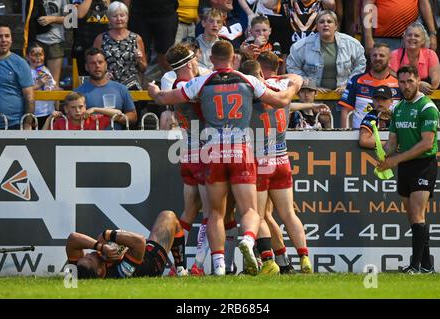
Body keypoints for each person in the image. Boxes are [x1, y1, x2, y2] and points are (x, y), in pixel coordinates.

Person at [147, 40, 302, 276]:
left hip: (206, 151)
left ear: (211, 59)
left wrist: (154, 91)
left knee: (210, 214)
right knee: (250, 210)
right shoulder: (245, 79)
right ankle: (250, 244)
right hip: (240, 149)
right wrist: (292, 87)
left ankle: (213, 266)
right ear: (233, 58)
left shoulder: (198, 82)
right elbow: (281, 100)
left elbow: (163, 99)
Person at [240, 55, 312, 274]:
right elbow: (297, 78)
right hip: (281, 158)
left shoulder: (247, 93)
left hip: (259, 161)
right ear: (262, 73)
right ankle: (304, 258)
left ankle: (269, 261)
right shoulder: (280, 85)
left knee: (257, 215)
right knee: (289, 213)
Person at [377, 65, 439, 274]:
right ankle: (427, 266)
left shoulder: (427, 107)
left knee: (417, 213)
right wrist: (381, 150)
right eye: (401, 82)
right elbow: (392, 144)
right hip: (405, 166)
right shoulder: (398, 108)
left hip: (424, 164)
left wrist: (395, 160)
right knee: (413, 217)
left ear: (418, 80)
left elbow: (427, 144)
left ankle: (414, 266)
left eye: (409, 81)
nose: (405, 86)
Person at [163, 43, 210, 276]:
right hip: (203, 152)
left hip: (188, 152)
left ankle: (178, 266)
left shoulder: (175, 85)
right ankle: (197, 266)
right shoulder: (191, 87)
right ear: (191, 62)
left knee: (189, 212)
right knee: (211, 213)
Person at [66, 210, 187, 279]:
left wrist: (101, 246)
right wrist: (107, 235)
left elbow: (73, 238)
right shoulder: (119, 273)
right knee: (168, 217)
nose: (88, 255)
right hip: (150, 263)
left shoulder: (80, 270)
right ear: (99, 271)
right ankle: (181, 270)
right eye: (90, 260)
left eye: (84, 256)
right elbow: (140, 242)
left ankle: (181, 270)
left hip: (133, 254)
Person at [286, 9, 366, 94]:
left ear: (336, 26)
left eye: (329, 21)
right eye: (321, 22)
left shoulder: (352, 44)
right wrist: (310, 85)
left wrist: (349, 84)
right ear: (316, 26)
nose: (325, 24)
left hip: (344, 94)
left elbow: (360, 64)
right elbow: (292, 67)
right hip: (312, 96)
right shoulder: (300, 46)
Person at [338, 43, 400, 129]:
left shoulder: (399, 84)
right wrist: (345, 136)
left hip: (390, 136)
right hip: (360, 135)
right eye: (374, 55)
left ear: (389, 59)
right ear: (370, 57)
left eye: (381, 55)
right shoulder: (356, 80)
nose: (377, 58)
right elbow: (346, 111)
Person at [75, 48, 137, 130]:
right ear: (86, 67)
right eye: (93, 63)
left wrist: (117, 117)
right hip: (89, 139)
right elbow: (72, 120)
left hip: (116, 139)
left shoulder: (121, 89)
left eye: (100, 62)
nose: (97, 66)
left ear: (106, 65)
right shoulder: (78, 92)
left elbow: (133, 117)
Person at [93, 1, 147, 90]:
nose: (119, 19)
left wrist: (139, 60)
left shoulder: (136, 38)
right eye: (115, 16)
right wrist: (103, 74)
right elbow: (93, 64)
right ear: (109, 18)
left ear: (127, 17)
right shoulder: (101, 38)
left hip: (131, 85)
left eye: (122, 15)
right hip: (107, 84)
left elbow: (144, 68)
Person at [362, 0, 438, 54]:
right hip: (383, 38)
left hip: (411, 39)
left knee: (409, 73)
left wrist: (432, 33)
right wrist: (368, 37)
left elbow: (424, 3)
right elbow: (368, 7)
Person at [124, 0, 179, 72]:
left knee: (165, 59)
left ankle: (175, 82)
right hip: (139, 14)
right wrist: (125, 14)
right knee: (140, 57)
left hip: (166, 13)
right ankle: (137, 82)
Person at [0, 23, 34, 130]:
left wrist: (27, 124)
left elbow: (29, 97)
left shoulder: (20, 63)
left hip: (13, 125)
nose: (4, 40)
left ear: (11, 39)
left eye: (7, 36)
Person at [389, 22, 440, 95]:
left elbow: (435, 83)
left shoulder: (430, 54)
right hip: (401, 93)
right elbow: (391, 76)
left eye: (416, 36)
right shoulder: (395, 54)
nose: (412, 38)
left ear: (423, 41)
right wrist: (417, 85)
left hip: (425, 95)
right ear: (404, 38)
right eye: (409, 35)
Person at [24, 0, 69, 84]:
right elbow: (27, 20)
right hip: (36, 41)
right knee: (35, 81)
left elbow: (71, 20)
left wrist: (53, 19)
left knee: (53, 83)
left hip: (55, 42)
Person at [42, 91, 122, 130]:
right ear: (66, 109)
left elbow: (119, 114)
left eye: (80, 107)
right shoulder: (61, 122)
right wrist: (49, 118)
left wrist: (95, 109)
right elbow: (41, 139)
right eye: (73, 107)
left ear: (85, 106)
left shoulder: (95, 119)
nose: (77, 110)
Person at [72, 0, 111, 76]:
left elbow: (112, 14)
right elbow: (79, 14)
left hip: (106, 45)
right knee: (85, 76)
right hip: (85, 45)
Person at [26, 42, 59, 129]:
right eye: (34, 55)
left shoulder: (46, 70)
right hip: (34, 114)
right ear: (27, 57)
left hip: (49, 112)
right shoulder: (26, 72)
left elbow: (53, 86)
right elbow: (24, 90)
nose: (38, 58)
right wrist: (38, 84)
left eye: (40, 54)